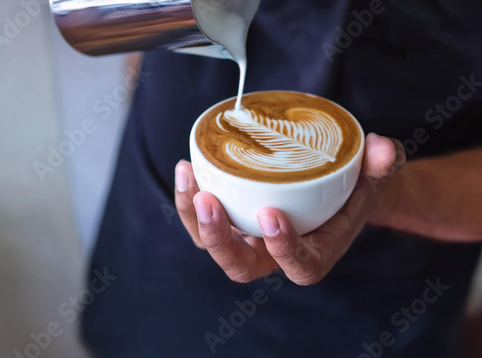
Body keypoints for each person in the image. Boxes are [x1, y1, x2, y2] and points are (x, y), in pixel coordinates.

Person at [81, 1, 482, 357]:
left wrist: (382, 192)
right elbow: (103, 16)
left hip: (382, 289)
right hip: (164, 231)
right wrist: (146, 26)